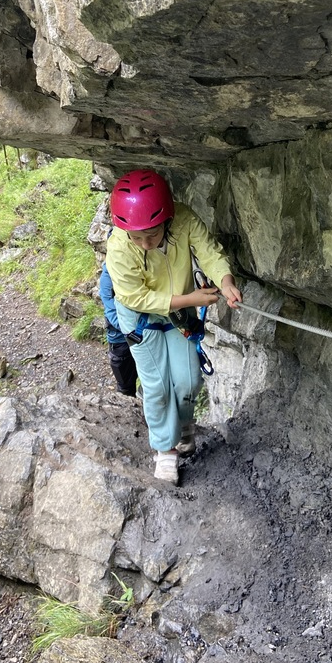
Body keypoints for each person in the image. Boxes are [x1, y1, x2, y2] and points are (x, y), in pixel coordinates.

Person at [105, 169, 242, 485]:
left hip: (178, 311)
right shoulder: (120, 246)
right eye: (136, 237)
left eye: (152, 235)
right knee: (157, 385)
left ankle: (183, 426)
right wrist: (190, 299)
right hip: (140, 318)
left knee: (188, 379)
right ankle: (165, 450)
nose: (144, 244)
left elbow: (208, 251)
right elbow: (134, 296)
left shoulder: (184, 220)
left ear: (167, 219)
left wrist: (225, 280)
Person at [99, 261, 139, 397]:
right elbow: (112, 314)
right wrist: (138, 330)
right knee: (126, 388)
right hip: (121, 340)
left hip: (140, 334)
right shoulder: (108, 276)